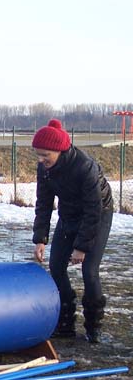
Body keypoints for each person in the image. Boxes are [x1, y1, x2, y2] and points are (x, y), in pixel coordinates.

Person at [32, 118, 113, 344]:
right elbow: (44, 202)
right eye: (38, 154)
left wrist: (81, 247)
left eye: (45, 154)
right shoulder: (45, 169)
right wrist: (40, 239)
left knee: (89, 270)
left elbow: (93, 209)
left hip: (98, 214)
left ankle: (93, 328)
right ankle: (65, 324)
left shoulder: (84, 166)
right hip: (68, 215)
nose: (41, 159)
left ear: (59, 150)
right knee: (56, 267)